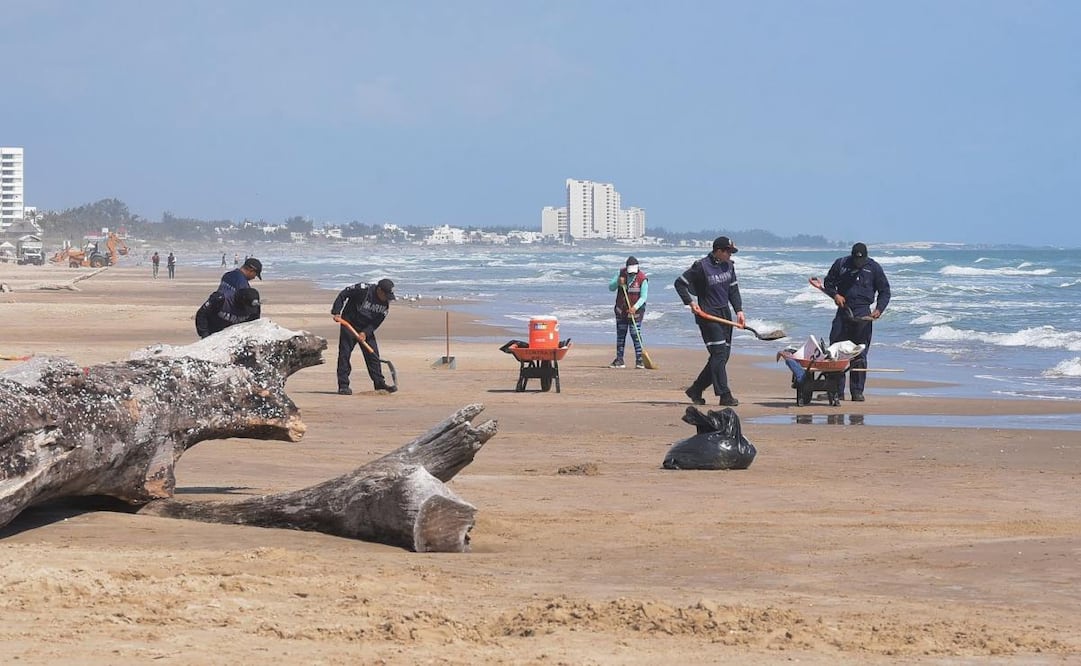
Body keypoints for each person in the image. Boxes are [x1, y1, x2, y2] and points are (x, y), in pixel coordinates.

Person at [674, 236, 745, 407]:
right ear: (718, 251)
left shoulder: (729, 266)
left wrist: (739, 310)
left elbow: (733, 290)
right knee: (719, 354)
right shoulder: (701, 267)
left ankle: (696, 389)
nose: (730, 254)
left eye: (731, 252)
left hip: (724, 314)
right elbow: (679, 283)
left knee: (721, 356)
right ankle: (724, 394)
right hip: (707, 314)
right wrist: (691, 303)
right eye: (727, 251)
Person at [821, 242, 891, 401]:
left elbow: (885, 291)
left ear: (865, 257)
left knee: (859, 353)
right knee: (836, 351)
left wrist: (879, 309)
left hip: (863, 313)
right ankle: (836, 391)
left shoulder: (874, 268)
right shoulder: (841, 264)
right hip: (844, 310)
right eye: (856, 259)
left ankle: (857, 391)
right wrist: (835, 295)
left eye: (861, 260)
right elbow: (828, 283)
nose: (858, 263)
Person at [331, 278, 397, 395]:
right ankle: (343, 385)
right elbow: (343, 294)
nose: (387, 298)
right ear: (379, 290)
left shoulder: (385, 305)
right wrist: (336, 311)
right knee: (344, 354)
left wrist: (365, 332)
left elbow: (376, 322)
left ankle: (379, 384)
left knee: (373, 355)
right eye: (385, 295)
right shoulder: (363, 290)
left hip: (366, 328)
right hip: (349, 323)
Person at [607, 255, 648, 369]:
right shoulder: (620, 274)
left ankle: (640, 360)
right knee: (621, 335)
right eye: (630, 272)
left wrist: (635, 307)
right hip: (621, 310)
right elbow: (611, 287)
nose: (632, 275)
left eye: (633, 272)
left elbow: (643, 297)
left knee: (635, 334)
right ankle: (619, 360)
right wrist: (618, 283)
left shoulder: (642, 278)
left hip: (636, 312)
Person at [213, 257, 263, 327]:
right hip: (230, 317)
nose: (254, 277)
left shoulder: (227, 275)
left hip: (217, 313)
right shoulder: (242, 283)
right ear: (251, 270)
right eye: (255, 274)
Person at [195, 287, 261, 338]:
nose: (248, 310)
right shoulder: (221, 299)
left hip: (235, 337)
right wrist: (204, 334)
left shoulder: (254, 307)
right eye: (247, 306)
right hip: (213, 333)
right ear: (241, 301)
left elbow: (253, 324)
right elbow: (202, 314)